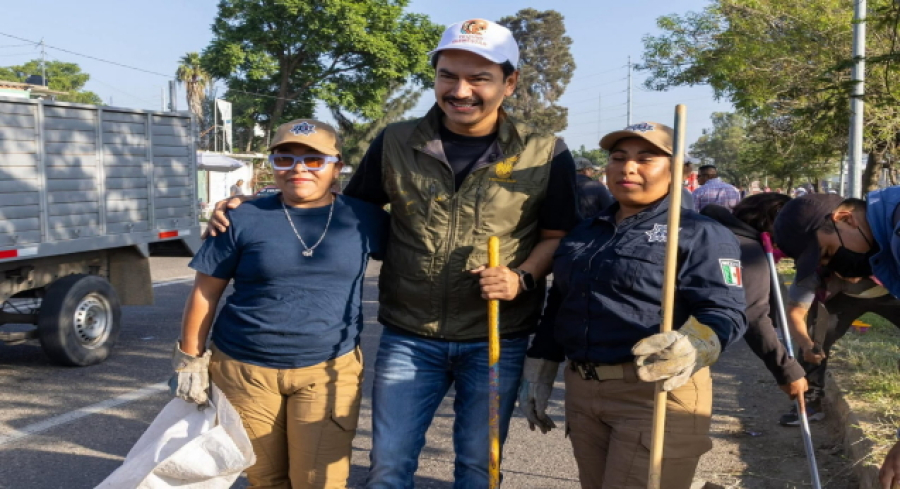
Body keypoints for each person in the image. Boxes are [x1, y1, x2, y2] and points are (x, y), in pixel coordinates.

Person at [206, 19, 580, 488]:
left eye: (479, 78)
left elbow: (558, 235)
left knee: (478, 466)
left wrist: (521, 277)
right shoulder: (396, 141)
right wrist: (256, 205)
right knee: (388, 466)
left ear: (510, 83)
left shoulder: (544, 151)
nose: (460, 91)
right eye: (447, 76)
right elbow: (340, 210)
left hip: (496, 336)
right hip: (410, 336)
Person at [519, 122, 747, 489]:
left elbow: (726, 311)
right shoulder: (585, 231)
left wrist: (695, 344)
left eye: (645, 159)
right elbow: (563, 300)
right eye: (618, 157)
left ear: (678, 172)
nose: (627, 167)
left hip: (656, 393)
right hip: (584, 392)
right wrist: (541, 363)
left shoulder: (699, 233)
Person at [171, 119, 389, 489]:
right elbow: (206, 292)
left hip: (327, 370)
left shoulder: (364, 219)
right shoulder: (240, 218)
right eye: (285, 159)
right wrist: (190, 360)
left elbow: (419, 257)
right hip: (244, 370)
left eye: (314, 160)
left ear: (337, 167)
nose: (299, 169)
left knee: (319, 482)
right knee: (265, 479)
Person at [773, 191, 900, 425]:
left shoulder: (892, 238)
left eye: (830, 253)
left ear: (845, 219)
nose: (832, 264)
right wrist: (807, 345)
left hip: (889, 295)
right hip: (844, 300)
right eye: (824, 261)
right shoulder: (819, 262)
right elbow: (796, 310)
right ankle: (810, 402)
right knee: (816, 337)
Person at [700, 194, 808, 403]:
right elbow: (753, 314)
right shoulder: (747, 250)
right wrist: (787, 370)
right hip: (683, 349)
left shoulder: (714, 233)